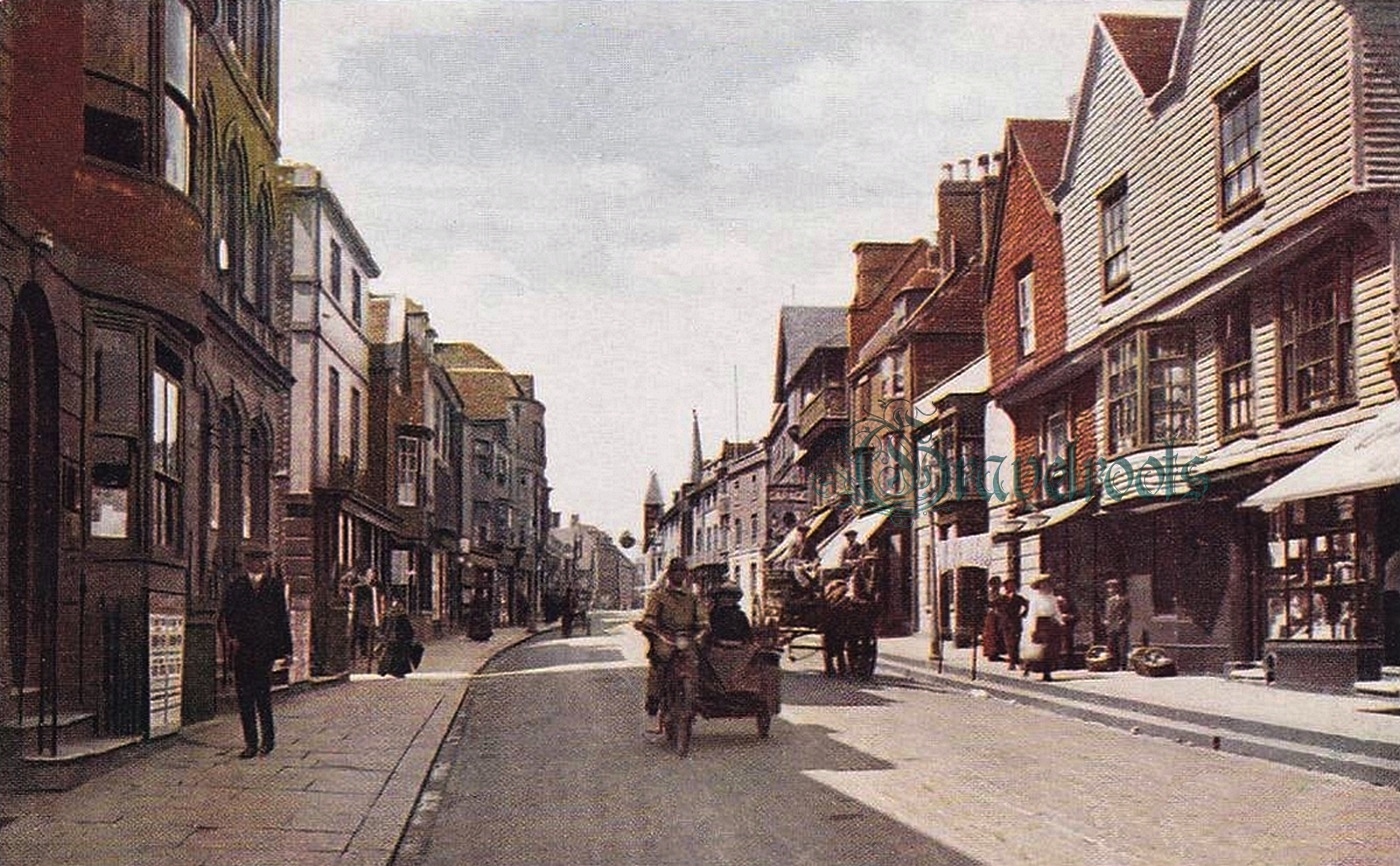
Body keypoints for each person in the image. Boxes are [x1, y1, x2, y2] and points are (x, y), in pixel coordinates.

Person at [220, 549, 293, 759]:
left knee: (263, 695)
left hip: (265, 649)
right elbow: (229, 615)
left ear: (266, 563)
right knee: (244, 697)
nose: (258, 564)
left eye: (262, 561)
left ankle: (268, 741)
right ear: (246, 563)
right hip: (243, 648)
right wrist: (233, 636)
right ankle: (250, 743)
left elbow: (282, 620)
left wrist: (286, 650)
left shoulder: (274, 587)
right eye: (253, 560)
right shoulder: (236, 587)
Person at [635, 558, 709, 725]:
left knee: (698, 662)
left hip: (686, 637)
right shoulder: (659, 597)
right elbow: (650, 617)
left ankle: (694, 698)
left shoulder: (692, 598)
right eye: (675, 571)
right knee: (660, 662)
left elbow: (702, 617)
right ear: (669, 575)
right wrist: (650, 625)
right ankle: (654, 698)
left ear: (685, 574)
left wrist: (703, 627)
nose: (678, 574)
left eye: (682, 571)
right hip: (665, 637)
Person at [1021, 573, 1063, 681]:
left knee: (1050, 649)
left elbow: (1056, 611)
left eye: (1048, 584)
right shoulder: (1035, 598)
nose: (1046, 586)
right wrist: (1032, 628)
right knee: (1039, 648)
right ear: (1039, 586)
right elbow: (1032, 614)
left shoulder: (1052, 598)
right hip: (1039, 624)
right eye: (1043, 584)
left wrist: (1060, 622)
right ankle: (1028, 666)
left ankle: (1047, 672)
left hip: (1050, 624)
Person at [995, 577, 1028, 672]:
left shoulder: (1018, 598)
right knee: (1008, 643)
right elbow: (994, 605)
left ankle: (1014, 661)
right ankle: (1013, 662)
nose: (1010, 587)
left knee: (1015, 642)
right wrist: (1000, 614)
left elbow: (1027, 605)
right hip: (1005, 623)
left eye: (1012, 585)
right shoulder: (1002, 598)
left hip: (1015, 622)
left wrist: (1022, 615)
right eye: (1008, 586)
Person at [377, 599, 417, 677]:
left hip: (392, 638)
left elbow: (384, 627)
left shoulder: (388, 615)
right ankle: (397, 671)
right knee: (399, 656)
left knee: (390, 655)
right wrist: (409, 637)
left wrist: (383, 635)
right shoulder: (402, 616)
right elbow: (408, 629)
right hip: (399, 638)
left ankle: (385, 670)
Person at [1103, 578, 1132, 671]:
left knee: (1122, 645)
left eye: (1112, 587)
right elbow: (1106, 613)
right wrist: (1105, 620)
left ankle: (1122, 665)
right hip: (1111, 626)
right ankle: (1112, 665)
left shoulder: (1124, 599)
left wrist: (1124, 620)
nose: (1110, 590)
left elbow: (1129, 613)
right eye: (1109, 588)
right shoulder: (1108, 601)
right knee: (1111, 645)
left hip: (1120, 625)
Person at [1055, 581, 1079, 665]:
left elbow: (1076, 614)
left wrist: (1070, 616)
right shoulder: (1054, 601)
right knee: (1058, 643)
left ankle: (1068, 662)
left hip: (1068, 625)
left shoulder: (1070, 601)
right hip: (1057, 625)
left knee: (1068, 642)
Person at [981, 575, 1006, 660]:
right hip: (993, 615)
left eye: (999, 584)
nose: (998, 586)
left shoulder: (998, 594)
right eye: (996, 584)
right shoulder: (991, 594)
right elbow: (989, 603)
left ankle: (996, 652)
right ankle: (992, 653)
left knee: (998, 633)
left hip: (998, 615)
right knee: (992, 633)